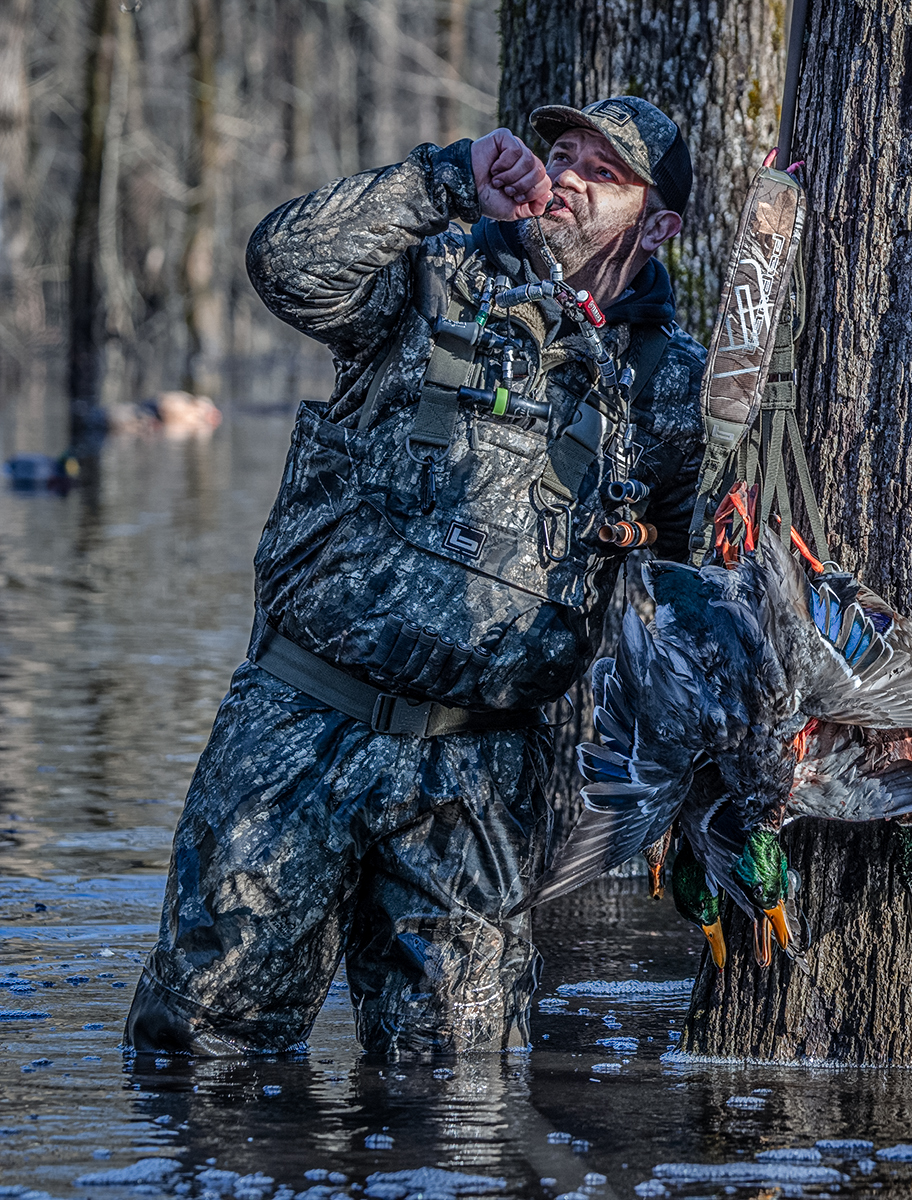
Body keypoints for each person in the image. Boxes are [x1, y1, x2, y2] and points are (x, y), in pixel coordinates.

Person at [125, 97, 707, 1058]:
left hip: (481, 771)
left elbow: (701, 584)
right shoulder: (438, 277)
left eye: (603, 172)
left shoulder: (672, 388)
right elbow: (284, 264)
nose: (565, 173)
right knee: (202, 1056)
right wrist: (440, 180)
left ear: (661, 224)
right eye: (559, 151)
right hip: (300, 727)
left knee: (458, 1087)